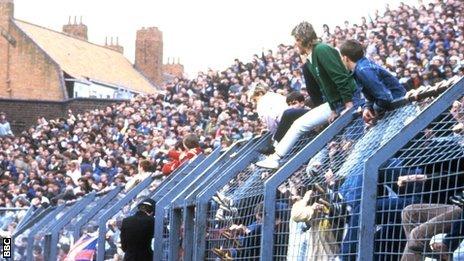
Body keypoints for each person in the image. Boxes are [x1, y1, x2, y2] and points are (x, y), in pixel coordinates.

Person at [257, 21, 359, 169]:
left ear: (301, 39)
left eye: (295, 41)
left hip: (348, 100)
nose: (295, 45)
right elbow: (327, 88)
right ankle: (275, 158)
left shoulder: (322, 50)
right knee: (299, 124)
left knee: (303, 125)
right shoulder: (311, 57)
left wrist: (348, 104)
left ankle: (276, 157)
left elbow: (340, 78)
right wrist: (332, 108)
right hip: (336, 103)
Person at [339, 39, 406, 125]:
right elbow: (371, 95)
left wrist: (375, 113)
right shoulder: (361, 66)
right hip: (393, 108)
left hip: (400, 107)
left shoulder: (363, 70)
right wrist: (368, 107)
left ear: (345, 58)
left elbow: (385, 97)